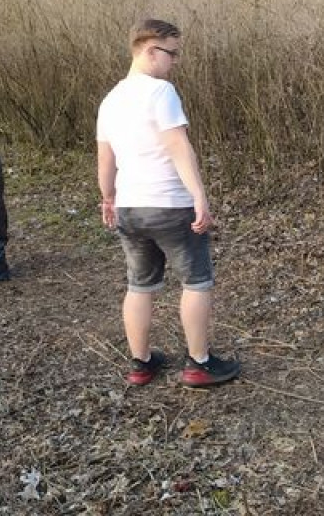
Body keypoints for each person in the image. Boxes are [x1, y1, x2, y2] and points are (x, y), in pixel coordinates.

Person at [96, 19, 240, 387]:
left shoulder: (110, 100)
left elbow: (105, 160)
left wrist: (108, 198)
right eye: (171, 53)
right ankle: (199, 363)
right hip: (169, 204)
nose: (175, 61)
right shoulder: (161, 93)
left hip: (130, 207)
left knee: (139, 285)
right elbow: (178, 146)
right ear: (149, 50)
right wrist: (199, 197)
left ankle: (141, 364)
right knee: (197, 281)